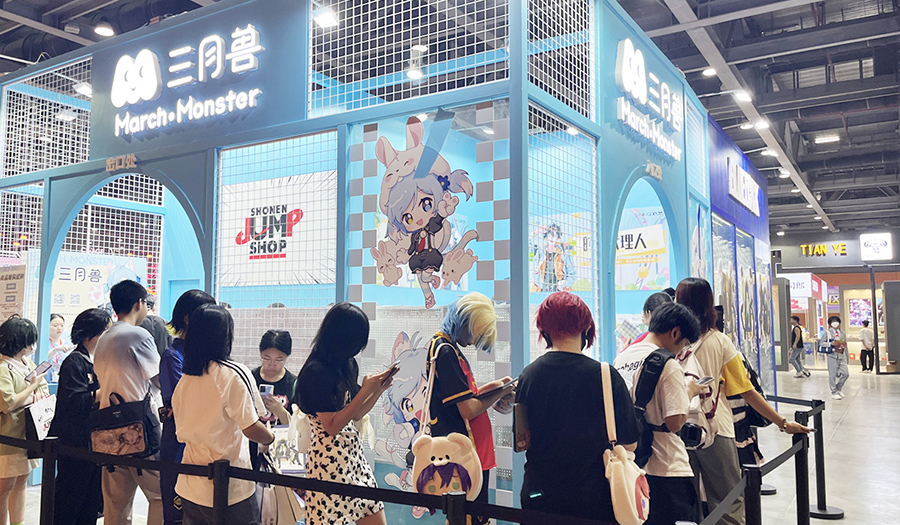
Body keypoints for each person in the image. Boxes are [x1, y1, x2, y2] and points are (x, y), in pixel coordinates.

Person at [675, 278, 810, 525]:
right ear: (708, 303)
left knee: (688, 501)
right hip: (715, 429)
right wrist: (782, 423)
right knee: (728, 499)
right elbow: (747, 391)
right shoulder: (719, 341)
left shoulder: (673, 341)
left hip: (679, 427)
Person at [516, 292, 639, 521]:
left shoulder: (529, 376)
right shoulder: (605, 375)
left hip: (540, 493)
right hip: (594, 496)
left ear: (544, 330)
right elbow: (630, 443)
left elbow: (523, 440)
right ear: (587, 328)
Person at [294, 303, 393, 525]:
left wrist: (378, 390)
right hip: (327, 463)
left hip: (354, 457)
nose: (358, 348)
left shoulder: (347, 364)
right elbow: (331, 426)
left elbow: (356, 415)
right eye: (355, 341)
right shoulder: (316, 371)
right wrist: (365, 390)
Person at [173, 304, 273, 524]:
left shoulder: (185, 379)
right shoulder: (233, 373)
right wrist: (270, 437)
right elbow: (251, 427)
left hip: (190, 483)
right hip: (231, 487)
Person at [613, 302, 704, 525]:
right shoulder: (668, 364)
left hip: (633, 464)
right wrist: (689, 391)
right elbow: (675, 422)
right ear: (675, 333)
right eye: (684, 344)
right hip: (667, 467)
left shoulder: (622, 358)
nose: (681, 351)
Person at [426, 292, 510, 525]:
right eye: (475, 333)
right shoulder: (445, 350)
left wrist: (495, 388)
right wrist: (499, 392)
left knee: (469, 515)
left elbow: (465, 399)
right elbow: (468, 409)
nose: (473, 341)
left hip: (468, 449)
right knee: (470, 515)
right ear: (465, 322)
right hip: (465, 450)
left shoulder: (446, 347)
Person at [93, 280, 163, 525]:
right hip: (138, 426)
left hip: (107, 428)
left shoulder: (104, 338)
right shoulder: (138, 335)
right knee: (159, 496)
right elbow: (158, 378)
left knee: (115, 503)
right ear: (139, 304)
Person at [158, 290, 216, 525]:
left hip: (203, 443)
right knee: (177, 512)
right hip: (178, 443)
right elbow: (183, 401)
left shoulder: (206, 355)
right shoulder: (173, 356)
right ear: (188, 319)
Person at [49, 308, 111, 525]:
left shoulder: (96, 361)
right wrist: (104, 392)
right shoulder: (74, 362)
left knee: (90, 502)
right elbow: (74, 402)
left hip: (93, 444)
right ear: (89, 334)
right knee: (69, 499)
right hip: (74, 443)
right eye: (103, 333)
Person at [0, 316, 49, 525]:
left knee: (21, 482)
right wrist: (31, 390)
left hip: (28, 434)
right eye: (29, 341)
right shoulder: (3, 367)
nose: (32, 346)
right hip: (9, 437)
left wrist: (32, 392)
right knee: (4, 487)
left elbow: (43, 389)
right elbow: (8, 403)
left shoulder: (26, 362)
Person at [253, 329, 296, 425]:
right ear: (260, 354)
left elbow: (296, 426)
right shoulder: (250, 378)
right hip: (253, 434)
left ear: (287, 357)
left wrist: (280, 411)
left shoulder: (293, 384)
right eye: (266, 358)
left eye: (279, 360)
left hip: (282, 434)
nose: (272, 364)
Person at [825, 315, 849, 399]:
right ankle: (834, 391)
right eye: (833, 321)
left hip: (842, 355)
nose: (835, 323)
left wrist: (847, 356)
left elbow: (845, 345)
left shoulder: (842, 333)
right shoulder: (827, 333)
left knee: (846, 374)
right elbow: (821, 343)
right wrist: (830, 344)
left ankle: (838, 388)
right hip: (832, 355)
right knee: (832, 375)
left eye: (836, 321)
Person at [48, 313, 72, 382]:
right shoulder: (42, 344)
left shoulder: (68, 344)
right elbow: (39, 360)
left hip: (63, 381)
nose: (59, 328)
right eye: (55, 325)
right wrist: (55, 350)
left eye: (62, 325)